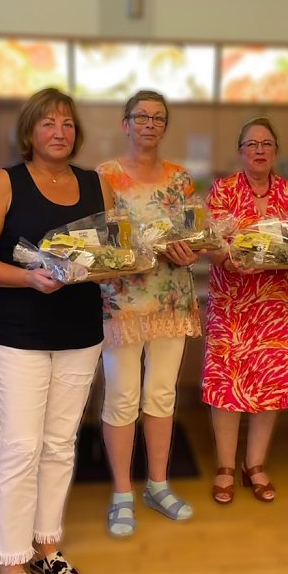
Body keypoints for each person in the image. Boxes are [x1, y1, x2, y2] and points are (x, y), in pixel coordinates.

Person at [0, 88, 114, 574]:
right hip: (21, 334)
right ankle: (10, 561)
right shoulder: (6, 182)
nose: (60, 132)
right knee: (20, 449)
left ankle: (46, 547)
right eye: (49, 123)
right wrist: (30, 278)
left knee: (59, 445)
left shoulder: (96, 185)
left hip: (82, 331)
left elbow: (110, 253)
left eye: (68, 124)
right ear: (30, 131)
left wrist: (117, 263)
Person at [96, 90, 201, 538]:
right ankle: (121, 493)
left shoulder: (180, 178)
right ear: (126, 123)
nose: (149, 124)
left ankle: (157, 484)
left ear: (165, 125)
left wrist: (190, 250)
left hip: (171, 299)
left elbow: (197, 235)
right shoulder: (105, 176)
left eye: (158, 117)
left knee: (161, 395)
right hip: (121, 302)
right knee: (121, 397)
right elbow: (98, 240)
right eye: (141, 116)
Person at [202, 117, 288, 504]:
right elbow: (210, 242)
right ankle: (226, 466)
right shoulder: (223, 190)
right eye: (251, 144)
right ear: (240, 150)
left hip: (276, 303)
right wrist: (227, 260)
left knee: (271, 383)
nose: (259, 150)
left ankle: (255, 464)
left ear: (275, 150)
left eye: (266, 144)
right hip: (232, 302)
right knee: (227, 385)